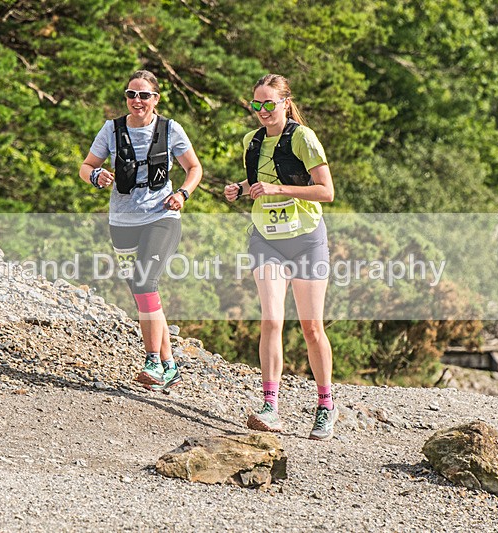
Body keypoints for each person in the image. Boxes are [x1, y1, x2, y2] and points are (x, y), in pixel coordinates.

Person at [223, 74, 338, 440]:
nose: (262, 111)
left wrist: (278, 188)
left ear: (285, 103)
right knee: (272, 319)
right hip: (266, 239)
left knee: (311, 327)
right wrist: (239, 189)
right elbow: (257, 180)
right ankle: (270, 407)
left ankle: (325, 405)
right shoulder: (251, 141)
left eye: (269, 103)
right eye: (256, 104)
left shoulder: (303, 138)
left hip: (306, 240)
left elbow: (326, 191)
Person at [80, 70, 202, 391]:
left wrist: (183, 194)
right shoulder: (111, 129)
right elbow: (86, 166)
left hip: (162, 217)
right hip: (122, 223)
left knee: (145, 281)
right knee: (143, 293)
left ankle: (151, 361)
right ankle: (170, 366)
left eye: (144, 95)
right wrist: (96, 177)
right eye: (131, 95)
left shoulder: (170, 129)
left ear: (155, 99)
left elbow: (194, 167)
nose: (137, 101)